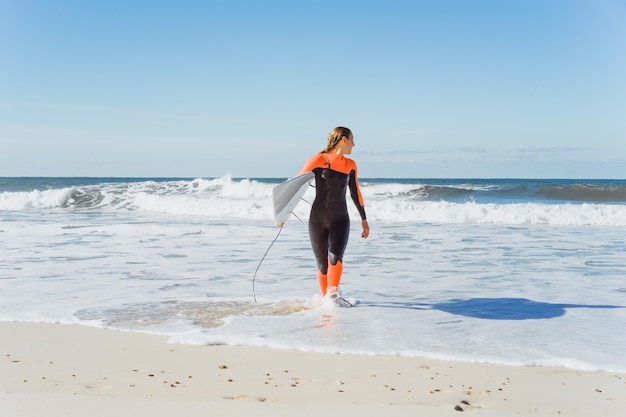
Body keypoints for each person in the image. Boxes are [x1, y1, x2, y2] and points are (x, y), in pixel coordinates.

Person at [296, 126, 369, 305]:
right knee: (322, 264)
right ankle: (326, 304)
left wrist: (364, 219)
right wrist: (281, 215)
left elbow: (355, 193)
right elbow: (295, 184)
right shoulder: (318, 159)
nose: (354, 144)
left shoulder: (350, 165)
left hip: (340, 219)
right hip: (317, 219)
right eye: (352, 139)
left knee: (335, 257)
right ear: (343, 139)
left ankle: (333, 298)